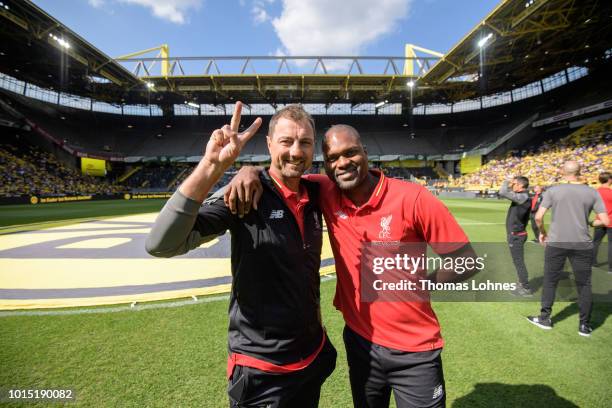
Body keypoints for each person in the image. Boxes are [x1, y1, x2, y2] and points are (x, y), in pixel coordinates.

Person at [225, 124, 478, 408]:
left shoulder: (413, 198)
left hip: (415, 350)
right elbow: (282, 172)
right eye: (332, 158)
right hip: (360, 343)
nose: (342, 162)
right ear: (326, 165)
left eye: (350, 153)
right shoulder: (325, 191)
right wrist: (249, 171)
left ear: (365, 153)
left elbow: (467, 260)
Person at [145, 103, 336, 407]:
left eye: (305, 143)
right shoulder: (245, 194)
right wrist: (212, 165)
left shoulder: (316, 194)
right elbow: (161, 244)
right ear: (269, 144)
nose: (296, 152)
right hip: (262, 372)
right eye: (286, 142)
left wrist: (252, 168)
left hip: (310, 360)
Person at [527, 161, 609, 337]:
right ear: (580, 172)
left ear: (562, 171)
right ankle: (584, 326)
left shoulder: (553, 191)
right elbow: (605, 221)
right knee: (584, 284)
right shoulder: (592, 192)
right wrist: (588, 222)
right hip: (582, 244)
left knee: (550, 280)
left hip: (557, 243)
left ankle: (545, 319)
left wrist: (542, 233)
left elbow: (538, 217)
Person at [498, 176, 532, 296]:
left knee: (518, 262)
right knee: (518, 261)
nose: (512, 185)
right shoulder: (523, 196)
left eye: (514, 184)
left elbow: (502, 192)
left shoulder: (523, 197)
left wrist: (507, 181)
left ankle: (525, 288)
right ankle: (521, 283)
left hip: (516, 235)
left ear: (520, 186)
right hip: (517, 234)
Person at [592, 171, 611, 273]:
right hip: (610, 221)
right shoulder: (610, 192)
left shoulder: (595, 192)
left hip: (599, 220)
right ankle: (611, 269)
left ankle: (592, 263)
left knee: (595, 242)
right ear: (609, 180)